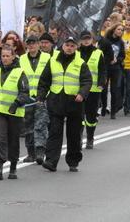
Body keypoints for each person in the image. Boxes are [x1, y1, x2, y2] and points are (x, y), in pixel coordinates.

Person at [37, 36, 92, 172]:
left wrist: (82, 94)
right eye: (67, 45)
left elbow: (87, 81)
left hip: (74, 102)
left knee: (74, 134)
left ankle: (73, 161)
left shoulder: (81, 63)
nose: (69, 48)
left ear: (76, 48)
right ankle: (51, 161)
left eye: (72, 46)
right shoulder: (52, 61)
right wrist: (41, 96)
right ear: (63, 46)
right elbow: (44, 81)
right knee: (54, 132)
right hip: (56, 100)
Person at [0, 45, 30, 180]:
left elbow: (25, 92)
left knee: (13, 140)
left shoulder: (20, 72)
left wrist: (16, 103)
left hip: (15, 113)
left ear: (13, 57)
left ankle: (13, 168)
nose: (5, 58)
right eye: (3, 56)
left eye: (8, 56)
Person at [18, 35, 50, 163]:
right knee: (28, 126)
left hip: (43, 96)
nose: (31, 46)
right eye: (29, 43)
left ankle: (40, 152)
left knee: (41, 124)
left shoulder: (47, 58)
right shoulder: (21, 59)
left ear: (38, 44)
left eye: (34, 43)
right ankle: (31, 153)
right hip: (27, 97)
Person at [78, 30, 106, 149]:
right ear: (80, 40)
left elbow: (102, 70)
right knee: (79, 115)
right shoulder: (76, 52)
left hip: (94, 89)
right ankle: (78, 138)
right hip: (79, 89)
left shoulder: (98, 53)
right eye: (84, 39)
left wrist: (101, 83)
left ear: (92, 40)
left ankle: (90, 137)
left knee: (91, 115)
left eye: (88, 39)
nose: (86, 41)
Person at [97, 24, 125, 119]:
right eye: (118, 29)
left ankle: (113, 111)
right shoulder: (105, 41)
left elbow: (122, 55)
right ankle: (104, 107)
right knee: (104, 89)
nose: (120, 31)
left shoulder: (121, 42)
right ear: (114, 30)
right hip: (105, 67)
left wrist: (117, 60)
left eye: (122, 30)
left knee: (114, 90)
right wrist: (109, 60)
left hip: (116, 68)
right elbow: (100, 53)